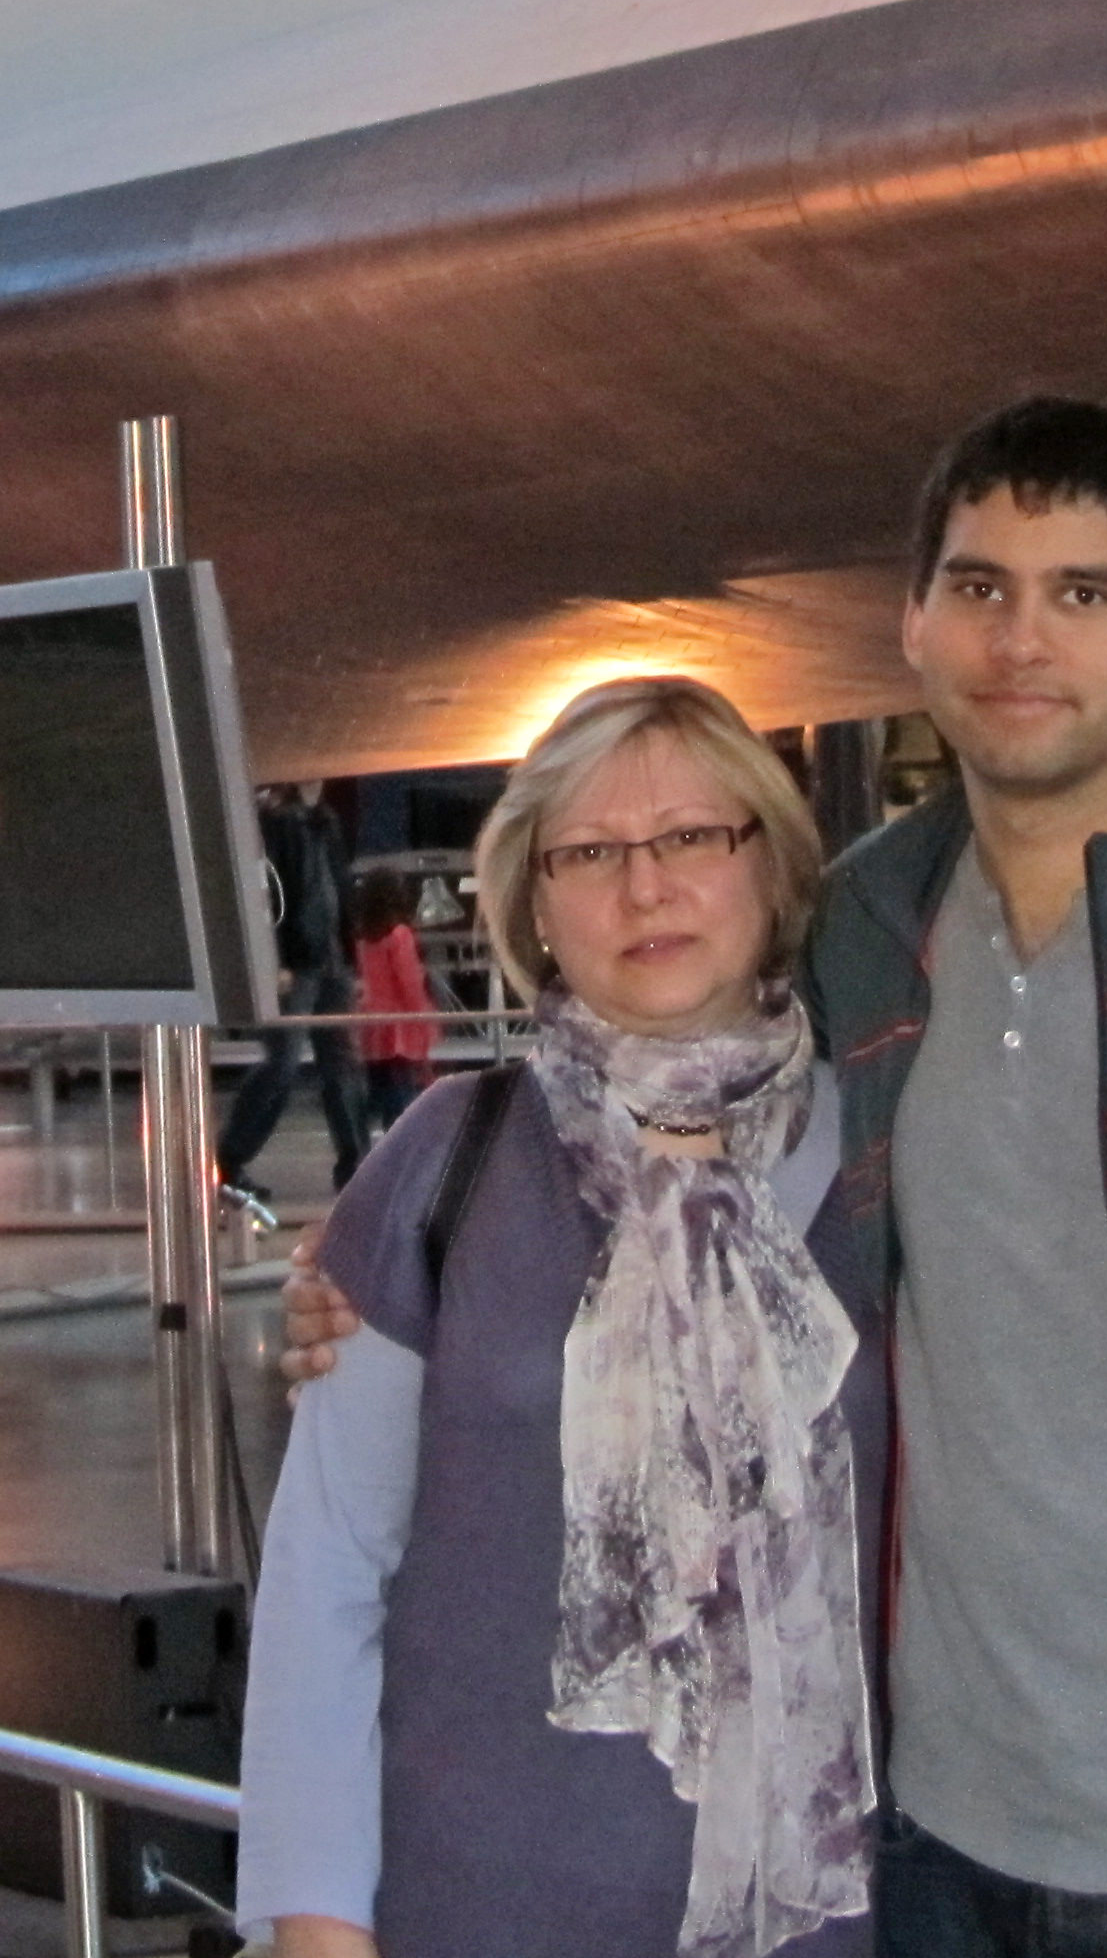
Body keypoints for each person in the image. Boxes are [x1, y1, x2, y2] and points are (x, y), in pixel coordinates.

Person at [291, 397, 1107, 1958]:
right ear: (914, 623)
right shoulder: (859, 935)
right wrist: (360, 1305)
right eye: (982, 587)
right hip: (934, 1835)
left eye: (1086, 592)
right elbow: (685, 1146)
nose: (1023, 640)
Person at [238, 678, 879, 1958]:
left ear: (775, 871)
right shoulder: (440, 1165)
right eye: (590, 853)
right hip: (482, 1903)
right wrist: (315, 1919)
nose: (646, 889)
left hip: (810, 1919)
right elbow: (325, 1575)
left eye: (695, 838)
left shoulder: (884, 1165)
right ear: (535, 903)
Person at [220, 784, 374, 1189]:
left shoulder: (325, 822)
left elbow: (338, 889)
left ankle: (356, 1166)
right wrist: (276, 960)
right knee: (282, 1064)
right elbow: (267, 894)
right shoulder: (277, 821)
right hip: (298, 962)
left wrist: (349, 959)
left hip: (328, 960)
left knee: (340, 1065)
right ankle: (229, 1160)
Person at [347, 865, 435, 1132]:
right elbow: (409, 983)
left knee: (379, 1091)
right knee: (402, 1099)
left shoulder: (363, 936)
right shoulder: (400, 935)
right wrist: (425, 1019)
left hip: (372, 1022)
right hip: (400, 1024)